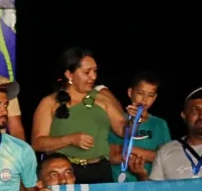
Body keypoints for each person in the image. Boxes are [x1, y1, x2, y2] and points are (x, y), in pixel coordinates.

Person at [30, 47, 129, 183]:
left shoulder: (103, 99)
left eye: (95, 71)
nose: (93, 76)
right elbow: (37, 143)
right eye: (87, 72)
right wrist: (70, 139)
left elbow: (123, 131)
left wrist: (135, 120)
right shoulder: (49, 102)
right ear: (69, 75)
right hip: (64, 174)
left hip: (99, 171)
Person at [107, 70, 170, 182]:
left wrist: (130, 150)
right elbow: (104, 154)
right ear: (130, 92)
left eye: (150, 95)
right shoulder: (116, 119)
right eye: (140, 93)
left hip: (146, 183)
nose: (145, 100)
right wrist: (126, 158)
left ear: (155, 97)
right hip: (114, 183)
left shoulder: (159, 124)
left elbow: (165, 158)